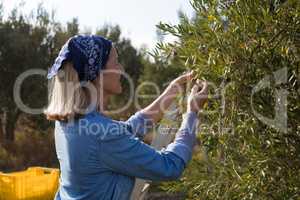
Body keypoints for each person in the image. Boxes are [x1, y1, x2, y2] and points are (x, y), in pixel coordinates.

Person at [44, 35, 208, 200]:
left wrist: (172, 91)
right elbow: (170, 166)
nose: (121, 69)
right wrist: (192, 113)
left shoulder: (69, 122)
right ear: (97, 74)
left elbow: (127, 131)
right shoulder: (101, 134)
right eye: (116, 63)